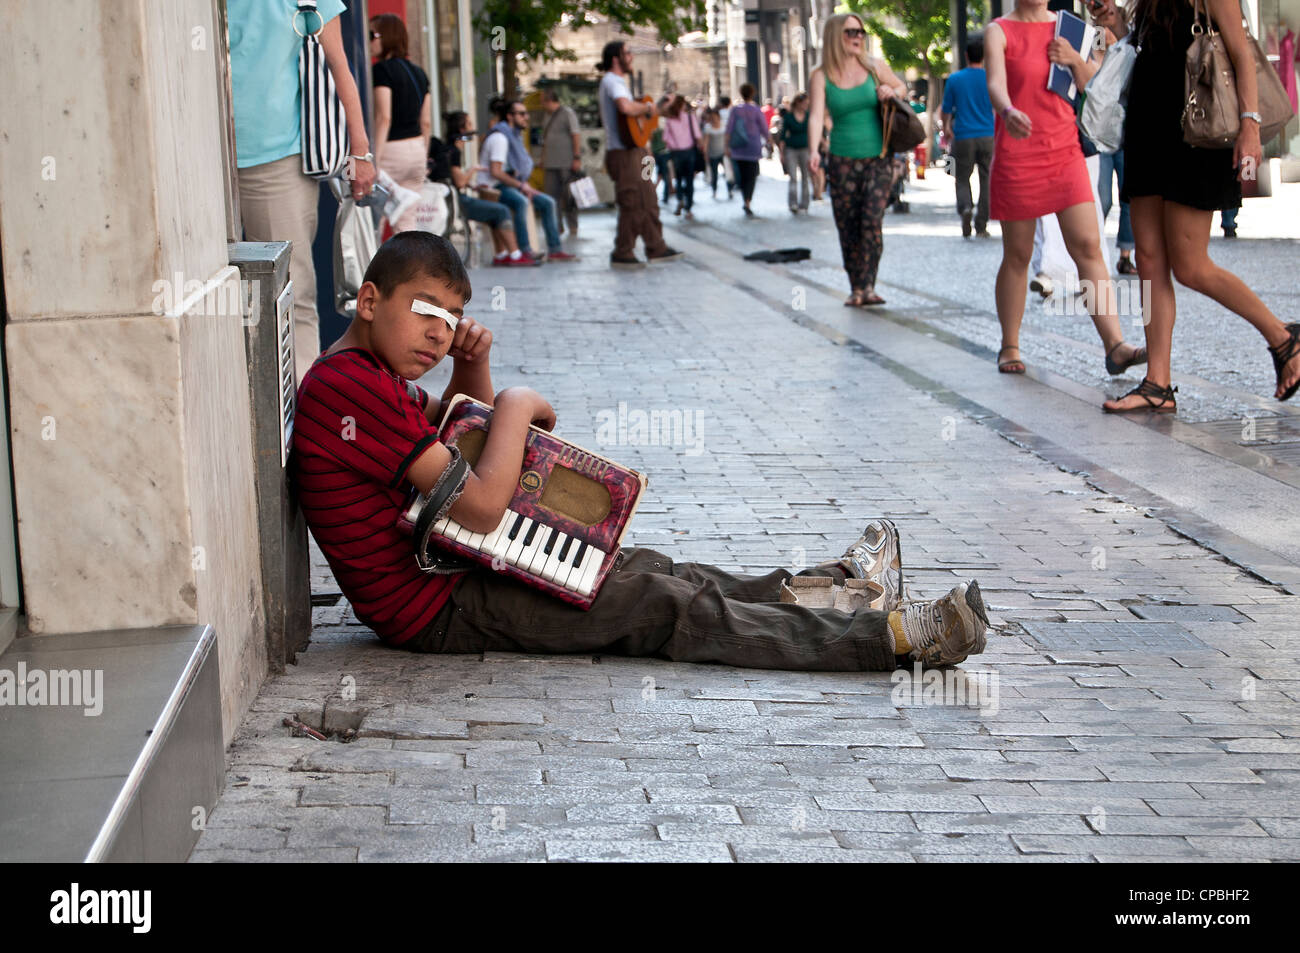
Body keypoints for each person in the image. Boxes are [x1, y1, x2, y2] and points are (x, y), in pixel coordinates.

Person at [291, 231, 992, 671]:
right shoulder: (347, 388)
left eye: (451, 321)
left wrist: (473, 376)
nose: (437, 334)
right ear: (369, 298)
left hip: (458, 569)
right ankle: (895, 638)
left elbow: (458, 437)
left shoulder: (368, 375)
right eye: (422, 310)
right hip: (438, 605)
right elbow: (477, 503)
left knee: (653, 567)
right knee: (659, 604)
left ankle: (833, 589)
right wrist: (513, 405)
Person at [1103, 0, 1300, 413]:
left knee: (1191, 265)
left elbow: (1241, 52)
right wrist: (1115, 20)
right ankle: (1158, 384)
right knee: (1149, 258)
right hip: (1148, 123)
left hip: (1197, 128)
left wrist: (1249, 125)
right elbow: (1149, 47)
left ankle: (1284, 337)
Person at [984, 0, 1146, 376]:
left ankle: (1115, 346)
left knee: (1089, 247)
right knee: (1018, 254)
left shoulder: (1069, 28)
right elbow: (995, 84)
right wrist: (1008, 112)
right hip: (1017, 154)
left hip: (1064, 151)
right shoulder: (999, 31)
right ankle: (1010, 344)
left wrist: (1074, 58)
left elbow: (1094, 87)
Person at [226, 0, 376, 385]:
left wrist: (360, 152)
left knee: (291, 291)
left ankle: (301, 418)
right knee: (211, 295)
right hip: (199, 156)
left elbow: (339, 63)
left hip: (277, 161)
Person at [808, 13, 909, 307]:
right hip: (841, 159)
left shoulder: (875, 67)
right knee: (848, 225)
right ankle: (856, 287)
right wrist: (814, 150)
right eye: (851, 32)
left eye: (861, 32)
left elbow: (901, 88)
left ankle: (869, 284)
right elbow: (816, 116)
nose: (858, 37)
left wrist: (892, 90)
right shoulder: (821, 75)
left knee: (871, 222)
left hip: (878, 157)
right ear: (835, 36)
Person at [596, 41, 683, 268]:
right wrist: (647, 108)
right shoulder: (612, 81)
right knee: (632, 201)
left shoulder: (620, 83)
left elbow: (640, 119)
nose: (631, 56)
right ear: (616, 58)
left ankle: (656, 246)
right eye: (627, 52)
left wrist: (660, 108)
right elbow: (625, 108)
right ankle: (623, 251)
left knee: (649, 199)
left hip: (639, 152)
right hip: (624, 155)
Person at [433, 111, 536, 266]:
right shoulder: (453, 151)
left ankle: (501, 254)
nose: (473, 128)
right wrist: (473, 169)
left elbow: (455, 178)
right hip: (457, 201)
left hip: (451, 197)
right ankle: (515, 255)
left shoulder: (449, 148)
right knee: (501, 211)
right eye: (469, 124)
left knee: (494, 212)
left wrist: (472, 184)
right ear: (462, 129)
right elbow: (460, 182)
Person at [477, 99, 574, 263]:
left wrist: (523, 184)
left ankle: (555, 250)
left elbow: (512, 169)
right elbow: (496, 172)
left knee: (548, 202)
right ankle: (524, 251)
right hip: (493, 187)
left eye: (526, 113)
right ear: (509, 116)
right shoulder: (500, 138)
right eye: (521, 114)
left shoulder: (513, 136)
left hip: (510, 184)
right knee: (521, 202)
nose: (526, 117)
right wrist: (521, 186)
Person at [1087, 0, 1137, 274]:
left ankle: (1125, 254)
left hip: (1129, 132)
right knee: (1102, 197)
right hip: (1102, 136)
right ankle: (1093, 250)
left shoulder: (1128, 49)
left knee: (1128, 196)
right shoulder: (1092, 57)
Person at [368, 14, 430, 235]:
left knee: (373, 221)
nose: (369, 41)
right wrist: (425, 155)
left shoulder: (381, 71)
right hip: (416, 151)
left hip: (391, 151)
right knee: (407, 224)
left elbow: (384, 117)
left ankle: (374, 270)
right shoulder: (420, 74)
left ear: (386, 37)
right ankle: (409, 269)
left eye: (371, 35)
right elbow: (426, 121)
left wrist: (374, 159)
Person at [940, 32, 995, 238]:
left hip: (963, 135)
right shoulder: (991, 78)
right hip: (988, 135)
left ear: (966, 55)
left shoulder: (955, 79)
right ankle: (981, 224)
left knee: (962, 177)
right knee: (986, 179)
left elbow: (946, 108)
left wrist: (946, 127)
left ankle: (965, 208)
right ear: (984, 56)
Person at [540, 89, 583, 240]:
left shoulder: (567, 113)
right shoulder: (546, 116)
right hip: (550, 163)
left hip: (566, 162)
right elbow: (546, 139)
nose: (541, 104)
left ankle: (573, 225)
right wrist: (543, 158)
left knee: (569, 196)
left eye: (542, 100)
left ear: (549, 99)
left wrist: (577, 157)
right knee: (551, 197)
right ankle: (557, 226)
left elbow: (575, 134)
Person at [724, 83, 773, 217]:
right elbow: (764, 128)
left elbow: (729, 129)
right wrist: (770, 141)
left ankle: (745, 199)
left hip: (738, 148)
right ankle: (747, 201)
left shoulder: (735, 110)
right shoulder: (756, 110)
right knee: (751, 176)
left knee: (742, 175)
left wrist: (726, 146)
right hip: (753, 147)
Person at [662, 95, 703, 219]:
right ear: (682, 105)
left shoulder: (670, 120)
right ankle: (688, 207)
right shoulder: (690, 118)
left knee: (678, 179)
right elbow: (697, 135)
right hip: (689, 152)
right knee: (689, 180)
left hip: (676, 153)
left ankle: (680, 199)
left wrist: (673, 145)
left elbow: (665, 138)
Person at [777, 92, 812, 213]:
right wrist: (781, 154)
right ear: (798, 103)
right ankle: (793, 203)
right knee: (793, 177)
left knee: (805, 177)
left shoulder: (808, 115)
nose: (806, 105)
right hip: (791, 149)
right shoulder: (788, 117)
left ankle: (805, 203)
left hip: (805, 149)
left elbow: (812, 132)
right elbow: (782, 137)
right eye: (804, 103)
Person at [701, 107, 728, 198]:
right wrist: (705, 153)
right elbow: (706, 142)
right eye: (712, 117)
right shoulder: (708, 127)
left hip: (723, 153)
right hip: (712, 154)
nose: (714, 119)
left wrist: (728, 149)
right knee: (714, 174)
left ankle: (730, 189)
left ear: (718, 117)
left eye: (715, 117)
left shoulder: (724, 125)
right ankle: (714, 190)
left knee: (728, 173)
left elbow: (727, 138)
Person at [717, 96, 737, 198]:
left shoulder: (718, 114)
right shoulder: (733, 113)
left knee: (726, 166)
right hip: (732, 143)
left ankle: (729, 185)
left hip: (720, 143)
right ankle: (731, 185)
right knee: (731, 165)